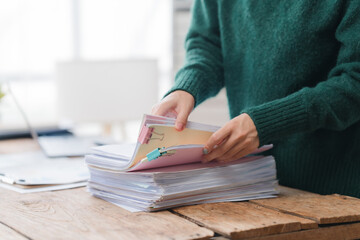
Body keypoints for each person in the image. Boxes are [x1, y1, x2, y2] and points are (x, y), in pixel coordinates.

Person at [152, 0, 360, 197]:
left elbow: (354, 81)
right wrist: (186, 88)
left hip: (335, 192)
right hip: (251, 183)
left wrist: (267, 122)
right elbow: (208, 44)